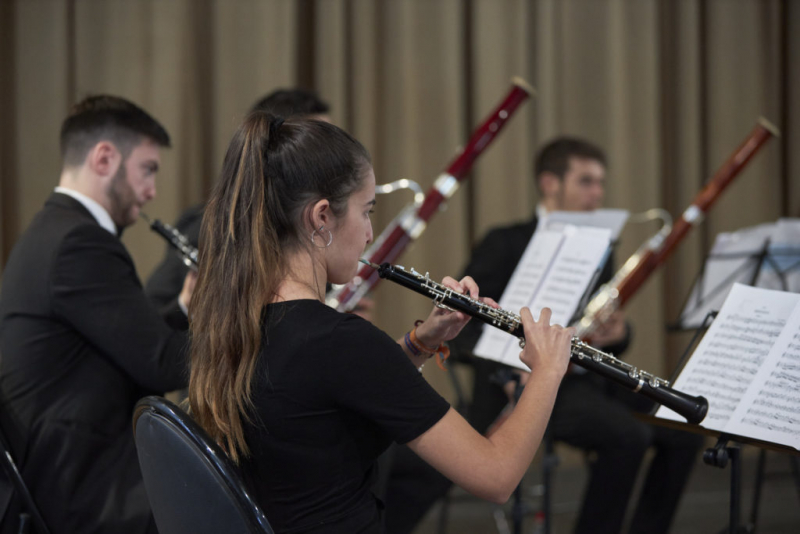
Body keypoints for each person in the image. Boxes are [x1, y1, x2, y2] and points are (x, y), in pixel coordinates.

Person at [187, 112, 574, 534]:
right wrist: (547, 371)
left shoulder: (233, 319)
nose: (370, 233)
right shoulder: (339, 340)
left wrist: (419, 343)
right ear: (321, 218)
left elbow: (334, 387)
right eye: (366, 211)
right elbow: (496, 475)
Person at [453, 137, 704, 534]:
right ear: (550, 183)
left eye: (600, 183)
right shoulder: (505, 241)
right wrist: (506, 369)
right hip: (519, 385)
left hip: (586, 380)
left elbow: (600, 327)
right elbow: (461, 329)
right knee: (627, 437)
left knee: (684, 430)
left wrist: (618, 332)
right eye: (586, 182)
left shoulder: (599, 247)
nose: (597, 194)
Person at [0, 95, 193, 533]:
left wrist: (186, 308)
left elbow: (128, 345)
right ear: (105, 158)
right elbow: (161, 365)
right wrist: (258, 331)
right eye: (148, 169)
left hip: (69, 471)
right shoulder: (79, 243)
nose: (152, 191)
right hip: (82, 486)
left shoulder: (56, 231)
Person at [144, 87, 330, 310]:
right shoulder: (208, 225)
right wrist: (188, 305)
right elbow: (154, 309)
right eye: (323, 146)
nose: (336, 158)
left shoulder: (317, 225)